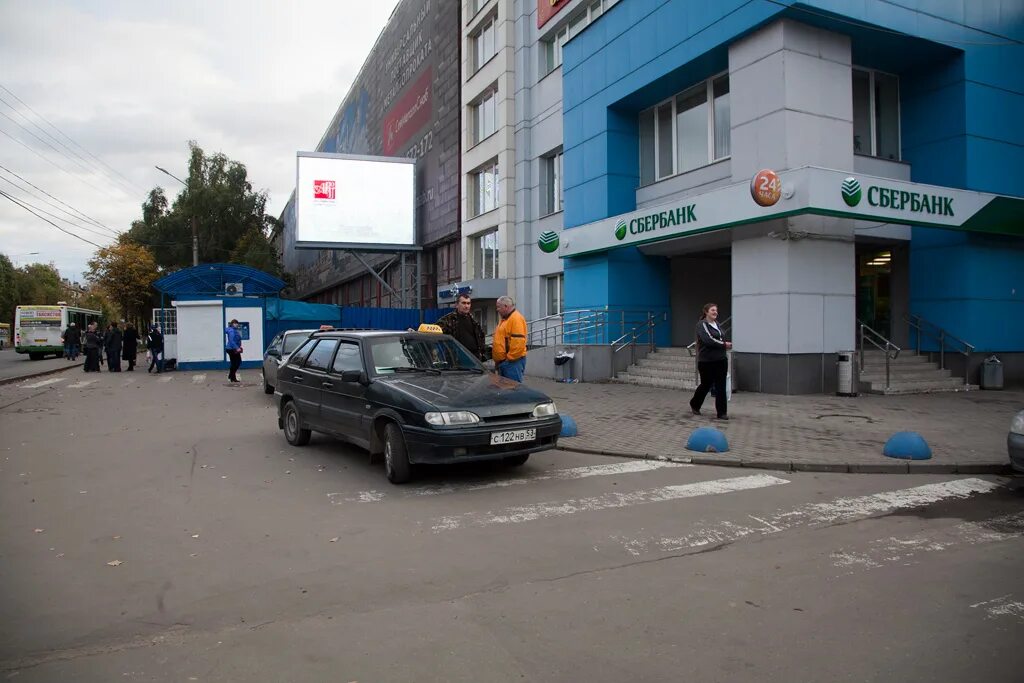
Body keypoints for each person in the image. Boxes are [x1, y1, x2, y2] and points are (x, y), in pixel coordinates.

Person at [689, 302, 732, 420]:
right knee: (706, 385)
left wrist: (723, 346)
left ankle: (722, 413)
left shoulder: (717, 324)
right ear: (706, 312)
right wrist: (724, 344)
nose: (715, 312)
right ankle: (695, 404)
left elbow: (720, 338)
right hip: (706, 361)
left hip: (721, 360)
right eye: (713, 310)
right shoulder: (702, 324)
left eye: (716, 310)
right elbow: (708, 340)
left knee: (721, 386)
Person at [436, 293, 487, 360]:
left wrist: (481, 353)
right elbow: (435, 332)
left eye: (468, 303)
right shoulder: (449, 319)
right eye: (464, 303)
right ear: (457, 305)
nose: (466, 306)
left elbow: (481, 337)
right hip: (457, 359)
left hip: (474, 359)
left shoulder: (474, 321)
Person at [492, 295, 528, 383]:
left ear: (506, 306)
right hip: (506, 363)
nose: (497, 309)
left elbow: (518, 343)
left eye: (498, 307)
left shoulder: (516, 319)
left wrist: (508, 360)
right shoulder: (505, 319)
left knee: (513, 390)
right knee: (506, 390)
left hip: (512, 363)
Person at [224, 318, 243, 383]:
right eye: (235, 323)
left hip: (232, 349)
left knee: (234, 363)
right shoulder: (232, 331)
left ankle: (232, 377)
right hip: (232, 349)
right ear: (232, 324)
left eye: (237, 323)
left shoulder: (234, 330)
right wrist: (237, 348)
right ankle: (231, 376)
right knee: (237, 362)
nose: (236, 324)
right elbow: (232, 341)